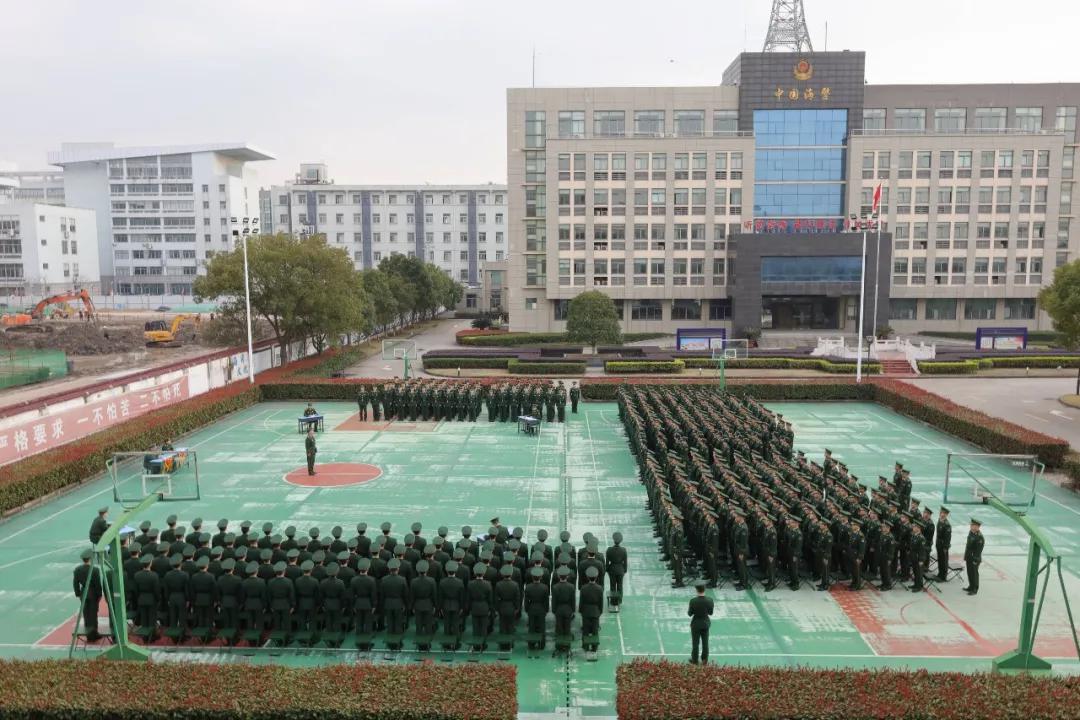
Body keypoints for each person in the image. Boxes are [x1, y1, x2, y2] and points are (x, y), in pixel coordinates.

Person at [73, 549, 103, 641]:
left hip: (84, 593)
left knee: (86, 614)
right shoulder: (95, 570)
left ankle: (88, 634)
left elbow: (75, 583)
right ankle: (94, 634)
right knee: (93, 614)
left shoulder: (77, 570)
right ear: (90, 559)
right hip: (93, 593)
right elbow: (98, 584)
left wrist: (78, 594)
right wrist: (99, 594)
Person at [688, 579, 713, 664]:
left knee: (695, 643)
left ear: (696, 589)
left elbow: (689, 614)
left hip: (695, 624)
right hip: (705, 623)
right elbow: (711, 613)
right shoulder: (710, 600)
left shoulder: (693, 601)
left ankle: (695, 660)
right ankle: (704, 660)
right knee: (705, 643)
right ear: (704, 589)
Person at [579, 566, 604, 651]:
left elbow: (581, 602)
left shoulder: (583, 588)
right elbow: (600, 603)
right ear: (596, 577)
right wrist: (599, 612)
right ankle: (594, 647)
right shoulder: (600, 588)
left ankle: (585, 646)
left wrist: (581, 611)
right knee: (595, 630)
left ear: (587, 577)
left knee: (585, 630)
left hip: (585, 612)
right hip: (595, 611)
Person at [963, 518, 984, 595]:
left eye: (973, 525)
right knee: (970, 572)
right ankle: (971, 586)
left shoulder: (980, 537)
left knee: (974, 574)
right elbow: (968, 546)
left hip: (974, 559)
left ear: (977, 527)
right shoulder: (971, 533)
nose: (971, 526)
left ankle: (975, 589)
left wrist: (975, 560)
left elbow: (978, 550)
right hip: (969, 557)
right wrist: (966, 556)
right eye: (971, 525)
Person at [605, 532, 627, 606]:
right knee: (620, 585)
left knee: (613, 585)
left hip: (612, 569)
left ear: (613, 540)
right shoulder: (623, 550)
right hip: (620, 569)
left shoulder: (609, 550)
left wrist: (607, 569)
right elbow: (625, 562)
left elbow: (607, 562)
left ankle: (613, 601)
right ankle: (619, 600)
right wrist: (624, 570)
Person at [935, 506, 952, 582]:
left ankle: (943, 576)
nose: (942, 514)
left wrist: (946, 547)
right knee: (940, 559)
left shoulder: (947, 524)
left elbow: (948, 538)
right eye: (941, 513)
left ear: (946, 514)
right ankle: (940, 573)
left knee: (944, 561)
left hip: (943, 546)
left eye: (944, 513)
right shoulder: (940, 520)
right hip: (939, 544)